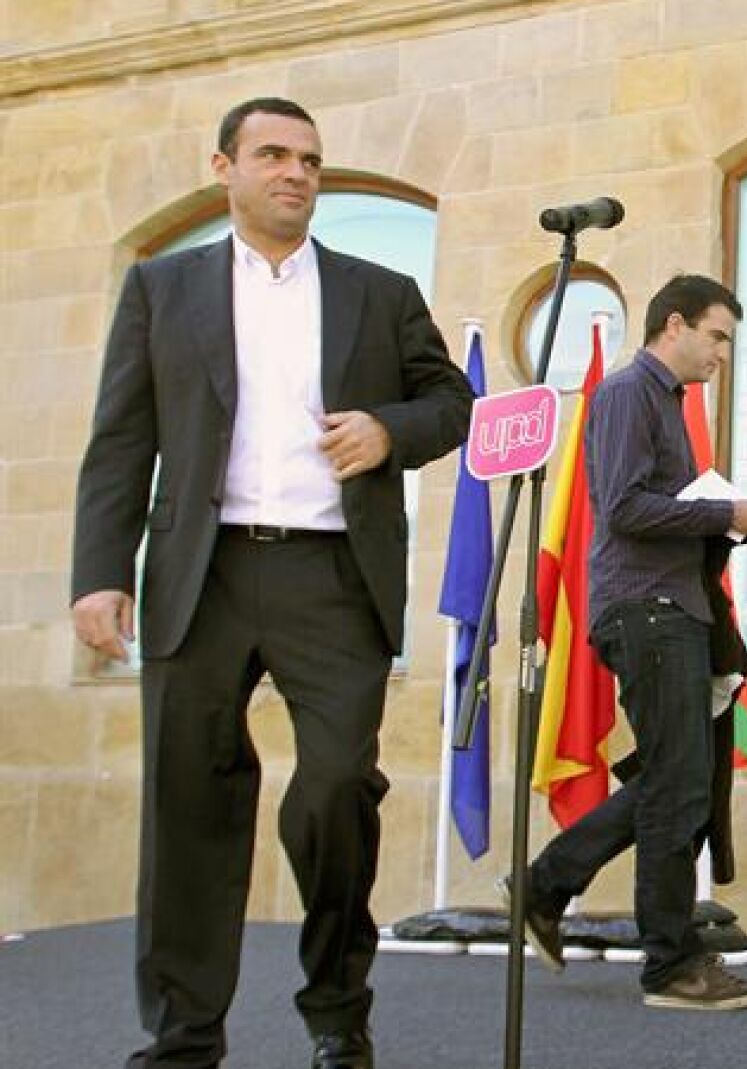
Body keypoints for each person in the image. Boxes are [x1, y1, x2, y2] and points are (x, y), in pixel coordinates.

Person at [70, 97, 474, 1069]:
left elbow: (450, 401)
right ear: (226, 168)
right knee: (190, 805)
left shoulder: (379, 291)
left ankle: (337, 1009)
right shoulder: (162, 289)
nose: (296, 172)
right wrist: (98, 574)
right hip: (198, 576)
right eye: (273, 155)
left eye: (310, 159)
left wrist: (387, 430)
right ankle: (184, 1033)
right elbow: (122, 440)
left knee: (336, 787)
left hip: (333, 574)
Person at [502, 274, 747, 1012]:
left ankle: (546, 885)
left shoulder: (661, 401)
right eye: (716, 335)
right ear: (673, 324)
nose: (722, 353)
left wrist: (740, 524)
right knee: (680, 783)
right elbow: (625, 506)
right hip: (648, 610)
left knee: (673, 778)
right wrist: (728, 508)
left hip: (671, 607)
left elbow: (660, 510)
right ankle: (669, 965)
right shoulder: (629, 393)